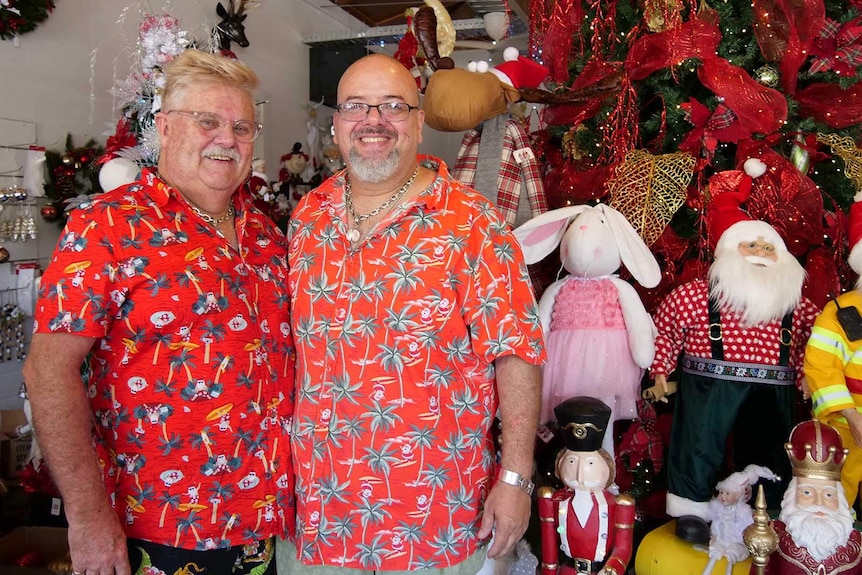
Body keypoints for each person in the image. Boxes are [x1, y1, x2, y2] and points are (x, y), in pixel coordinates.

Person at [23, 49, 294, 575]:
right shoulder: (109, 226)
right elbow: (47, 371)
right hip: (154, 527)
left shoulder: (267, 235)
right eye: (208, 121)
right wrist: (86, 517)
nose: (227, 138)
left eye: (242, 127)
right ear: (166, 128)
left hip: (265, 524)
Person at [281, 53, 545, 573]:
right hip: (319, 519)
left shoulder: (472, 222)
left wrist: (515, 478)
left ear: (418, 122)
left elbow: (517, 352)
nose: (372, 120)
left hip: (434, 522)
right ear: (336, 125)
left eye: (393, 106)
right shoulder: (308, 217)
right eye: (356, 106)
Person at [648, 159, 820, 528]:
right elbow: (666, 327)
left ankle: (768, 515)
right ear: (728, 252)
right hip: (708, 387)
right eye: (751, 245)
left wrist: (809, 374)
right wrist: (660, 369)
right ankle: (690, 511)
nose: (760, 252)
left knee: (772, 451)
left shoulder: (793, 303)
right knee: (698, 445)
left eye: (767, 247)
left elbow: (816, 340)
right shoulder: (698, 295)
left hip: (773, 391)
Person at [805, 197, 862, 510]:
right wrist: (851, 416)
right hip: (847, 425)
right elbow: (821, 367)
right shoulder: (841, 312)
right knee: (836, 497)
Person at [537, 397, 635, 575]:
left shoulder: (619, 504)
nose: (580, 474)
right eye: (572, 462)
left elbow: (623, 548)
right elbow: (549, 546)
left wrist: (612, 569)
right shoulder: (555, 500)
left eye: (590, 464)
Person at [764, 419, 862, 574]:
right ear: (792, 495)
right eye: (807, 493)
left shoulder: (858, 542)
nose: (819, 502)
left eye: (829, 494)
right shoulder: (771, 536)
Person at [700, 465, 778, 575]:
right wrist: (714, 536)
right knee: (715, 551)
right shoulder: (719, 509)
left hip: (737, 542)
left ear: (737, 496)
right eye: (721, 492)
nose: (723, 496)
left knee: (732, 555)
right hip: (722, 540)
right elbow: (716, 524)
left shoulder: (744, 512)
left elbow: (748, 527)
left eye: (727, 493)